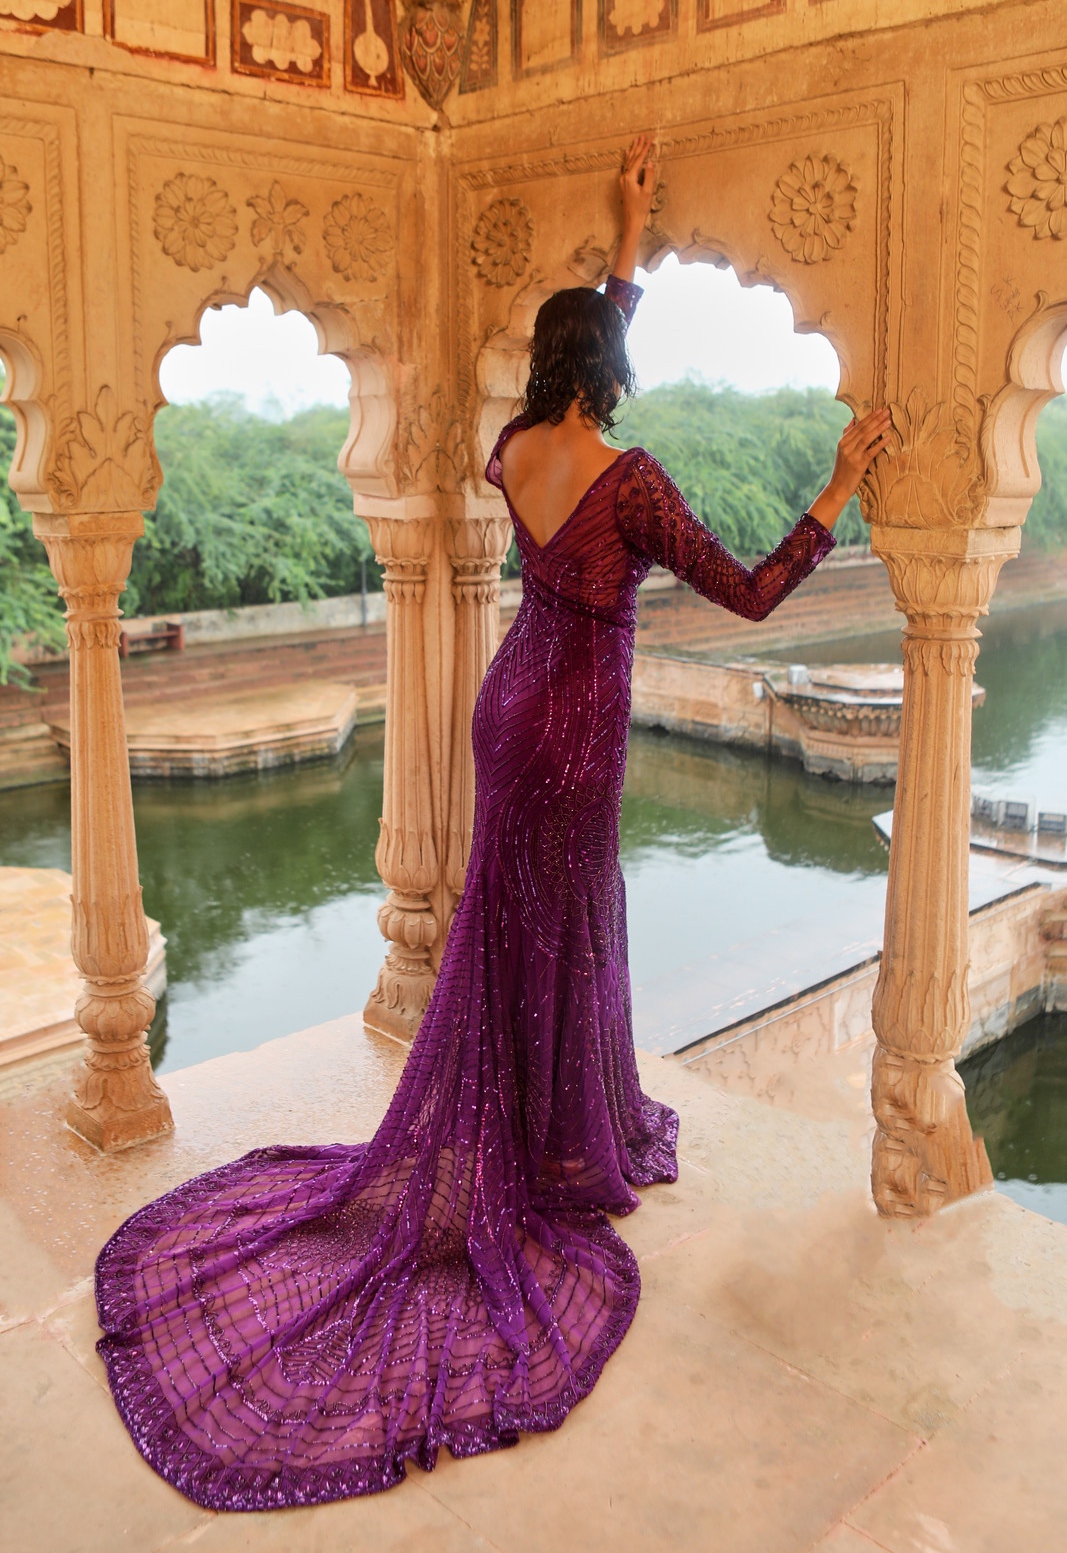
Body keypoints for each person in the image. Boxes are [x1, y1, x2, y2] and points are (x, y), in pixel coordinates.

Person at [95, 136, 892, 1511]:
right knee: (564, 922)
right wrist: (836, 485)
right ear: (611, 374)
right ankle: (555, 1145)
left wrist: (625, 253)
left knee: (510, 921)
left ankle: (537, 1127)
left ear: (547, 370)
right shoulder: (631, 482)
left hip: (506, 704)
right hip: (575, 731)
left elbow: (576, 379)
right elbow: (754, 595)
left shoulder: (512, 446)